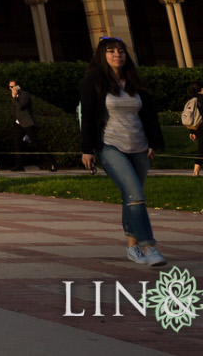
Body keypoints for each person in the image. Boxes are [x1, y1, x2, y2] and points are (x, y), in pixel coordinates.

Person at [79, 35, 167, 267]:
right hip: (109, 145)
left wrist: (153, 145)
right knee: (136, 195)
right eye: (111, 51)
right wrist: (87, 150)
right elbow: (87, 118)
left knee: (132, 197)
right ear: (102, 55)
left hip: (139, 146)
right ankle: (149, 246)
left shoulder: (134, 83)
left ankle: (131, 247)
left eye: (121, 51)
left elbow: (149, 117)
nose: (117, 55)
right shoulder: (94, 82)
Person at [7, 78, 43, 170]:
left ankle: (52, 161)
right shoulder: (15, 96)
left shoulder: (25, 95)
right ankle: (19, 165)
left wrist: (14, 98)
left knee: (35, 143)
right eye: (9, 87)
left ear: (18, 87)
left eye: (12, 87)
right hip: (19, 123)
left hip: (27, 123)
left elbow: (20, 106)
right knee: (17, 143)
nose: (11, 89)